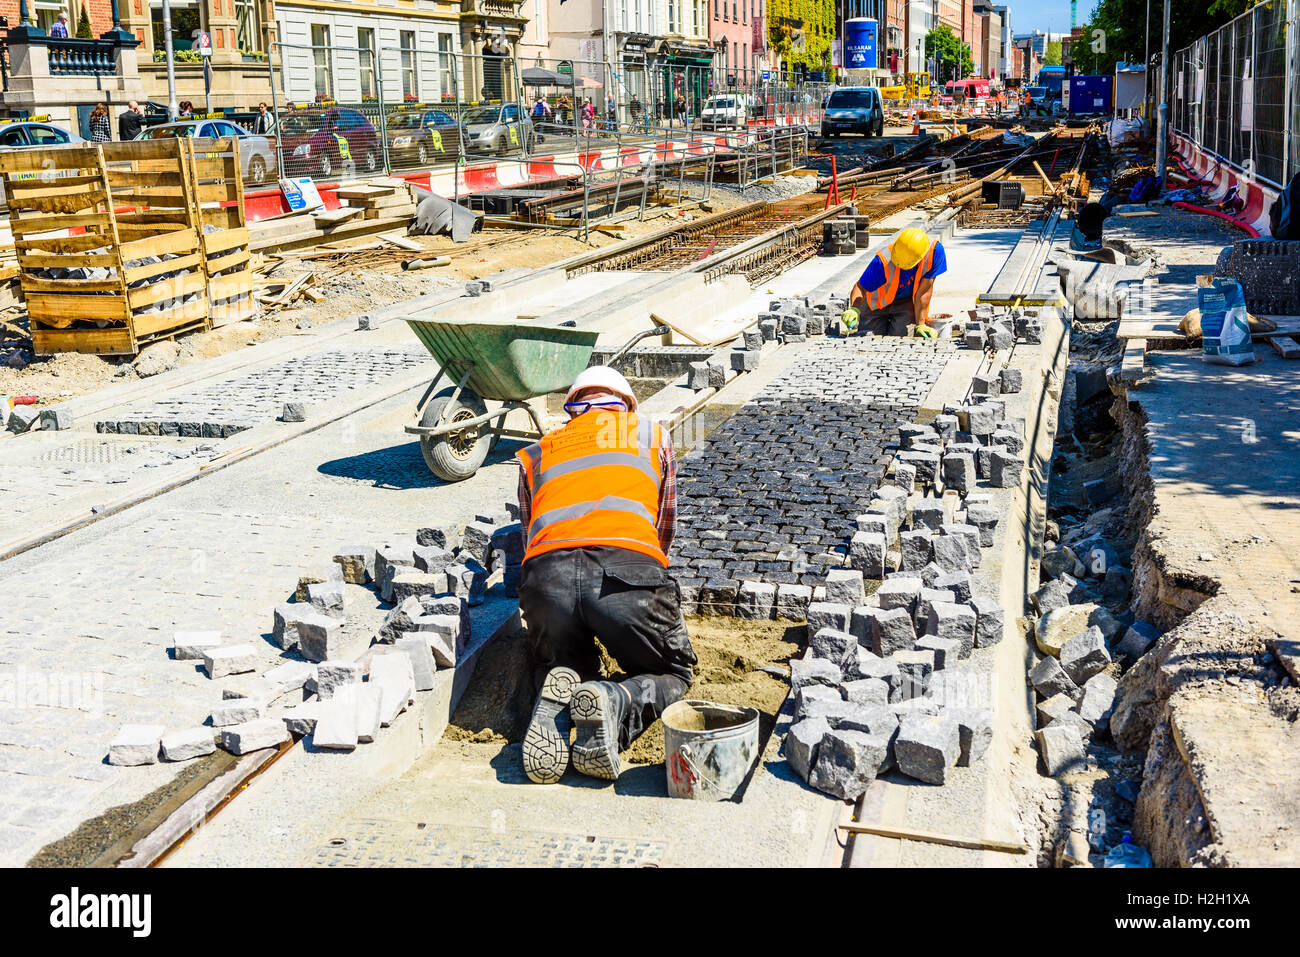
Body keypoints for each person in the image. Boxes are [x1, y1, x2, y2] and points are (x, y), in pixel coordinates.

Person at [518, 366, 696, 785]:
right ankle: (613, 700)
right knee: (673, 672)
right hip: (626, 572)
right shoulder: (651, 434)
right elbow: (663, 524)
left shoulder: (540, 450)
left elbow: (531, 532)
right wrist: (646, 586)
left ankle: (563, 696)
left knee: (562, 666)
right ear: (627, 405)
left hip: (546, 581)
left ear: (572, 410)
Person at [843, 226, 947, 337]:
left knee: (901, 337)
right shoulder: (882, 261)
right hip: (875, 303)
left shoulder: (934, 253)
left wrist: (921, 324)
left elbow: (924, 292)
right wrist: (854, 309)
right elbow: (860, 287)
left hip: (904, 303)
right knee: (869, 337)